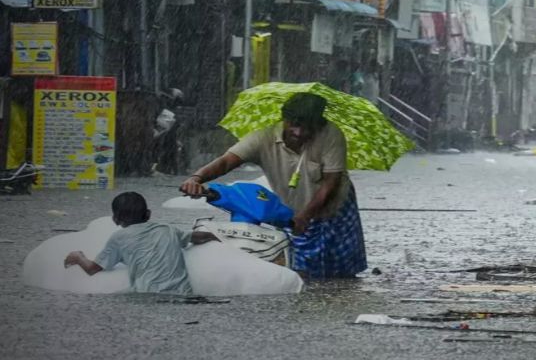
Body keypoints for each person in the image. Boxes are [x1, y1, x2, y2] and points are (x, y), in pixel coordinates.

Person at [180, 93, 366, 279]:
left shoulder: (331, 135)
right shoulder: (263, 138)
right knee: (296, 266)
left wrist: (306, 215)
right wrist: (196, 178)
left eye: (307, 128)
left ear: (318, 125)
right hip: (293, 208)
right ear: (284, 119)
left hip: (334, 204)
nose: (299, 133)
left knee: (340, 269)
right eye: (294, 124)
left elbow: (330, 183)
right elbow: (226, 162)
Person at [63, 192, 216, 294]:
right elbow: (197, 237)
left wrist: (78, 257)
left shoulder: (119, 238)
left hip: (150, 297)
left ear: (115, 219)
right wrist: (216, 236)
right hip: (185, 295)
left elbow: (92, 269)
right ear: (148, 214)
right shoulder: (167, 229)